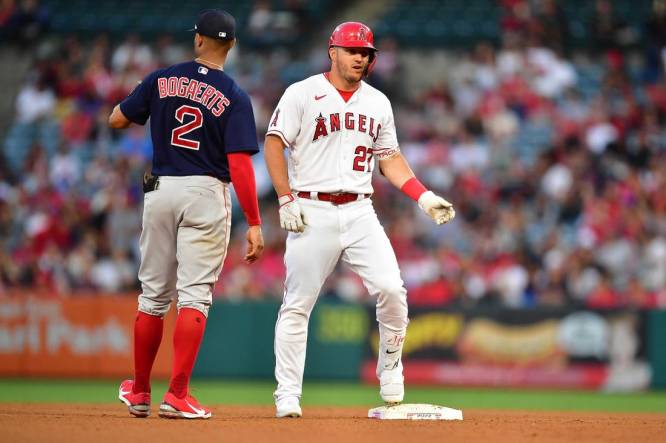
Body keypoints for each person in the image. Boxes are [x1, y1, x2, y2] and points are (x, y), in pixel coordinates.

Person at [264, 21, 455, 418]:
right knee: (298, 305)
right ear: (332, 51)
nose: (360, 58)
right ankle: (287, 394)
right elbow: (274, 143)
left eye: (366, 53)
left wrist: (423, 196)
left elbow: (389, 159)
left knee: (392, 290)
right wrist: (285, 198)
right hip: (311, 209)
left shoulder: (378, 102)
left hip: (358, 209)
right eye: (353, 51)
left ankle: (390, 365)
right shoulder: (302, 93)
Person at [109, 9, 264, 419]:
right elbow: (240, 166)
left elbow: (118, 118)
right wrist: (254, 221)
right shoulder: (234, 94)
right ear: (231, 45)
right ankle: (177, 393)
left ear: (197, 40)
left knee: (153, 296)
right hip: (206, 192)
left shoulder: (162, 79)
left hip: (160, 189)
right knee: (195, 296)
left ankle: (139, 390)